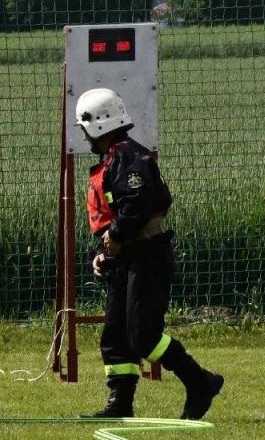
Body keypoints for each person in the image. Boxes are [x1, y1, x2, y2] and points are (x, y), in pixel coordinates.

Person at [77, 87, 222, 420]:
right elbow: (112, 216)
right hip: (124, 258)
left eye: (84, 128)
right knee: (116, 335)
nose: (83, 136)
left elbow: (136, 203)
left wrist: (114, 236)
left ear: (99, 124)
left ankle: (199, 381)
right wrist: (102, 252)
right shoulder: (113, 159)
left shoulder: (129, 158)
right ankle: (119, 403)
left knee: (143, 335)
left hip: (146, 257)